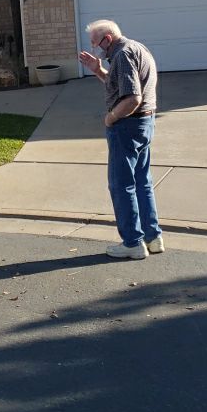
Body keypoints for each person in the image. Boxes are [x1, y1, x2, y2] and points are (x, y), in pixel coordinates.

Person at [78, 18, 164, 260]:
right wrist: (98, 70)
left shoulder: (123, 55)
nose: (95, 49)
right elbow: (119, 85)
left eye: (96, 44)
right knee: (141, 181)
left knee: (121, 185)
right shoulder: (137, 48)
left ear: (108, 39)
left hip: (127, 125)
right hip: (145, 124)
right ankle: (152, 237)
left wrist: (111, 117)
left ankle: (132, 243)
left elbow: (132, 98)